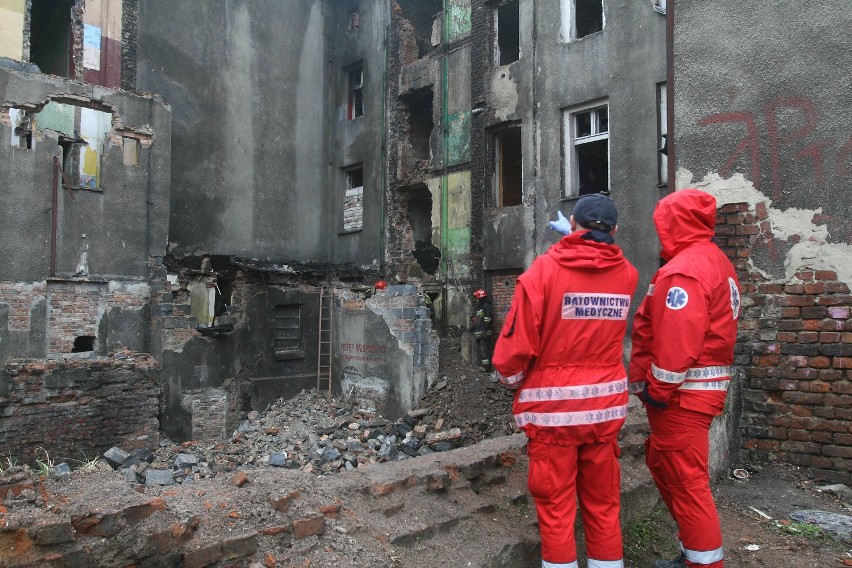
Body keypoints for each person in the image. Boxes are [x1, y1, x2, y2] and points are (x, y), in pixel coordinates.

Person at [493, 193, 638, 568]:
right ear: (616, 230)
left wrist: (513, 381)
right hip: (604, 412)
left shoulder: (542, 271)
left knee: (556, 510)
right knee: (604, 505)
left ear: (572, 224)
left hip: (553, 415)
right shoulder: (628, 274)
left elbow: (512, 352)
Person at [628, 189, 740, 568]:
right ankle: (694, 553)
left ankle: (703, 563)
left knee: (687, 484)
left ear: (672, 223)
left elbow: (678, 342)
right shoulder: (714, 261)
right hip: (693, 394)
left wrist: (656, 389)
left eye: (662, 224)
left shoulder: (684, 270)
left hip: (680, 398)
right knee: (665, 466)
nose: (659, 231)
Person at [470, 288, 493, 370]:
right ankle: (481, 366)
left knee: (484, 350)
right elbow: (478, 320)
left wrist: (484, 330)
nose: (476, 301)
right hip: (480, 333)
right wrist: (472, 328)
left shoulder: (486, 306)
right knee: (480, 350)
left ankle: (486, 367)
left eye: (476, 299)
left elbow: (487, 319)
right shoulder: (481, 307)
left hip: (483, 333)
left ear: (479, 298)